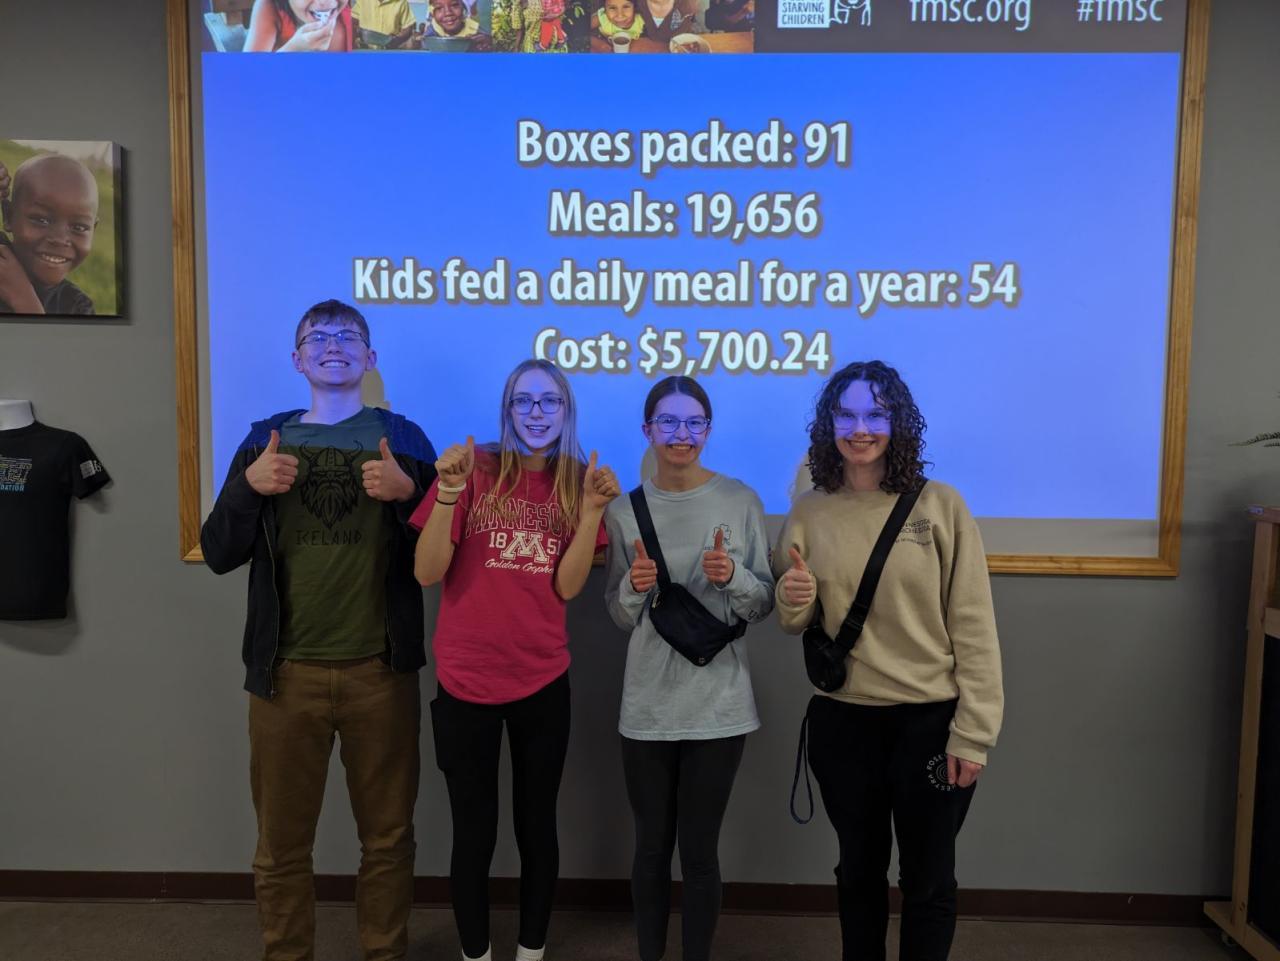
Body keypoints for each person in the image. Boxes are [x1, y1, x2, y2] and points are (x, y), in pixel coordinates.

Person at [200, 299, 437, 961]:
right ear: (297, 358)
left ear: (370, 356)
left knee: (388, 838)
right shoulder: (263, 440)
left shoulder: (406, 439)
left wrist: (409, 496)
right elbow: (217, 550)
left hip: (380, 670)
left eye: (348, 335)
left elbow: (444, 549)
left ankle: (384, 952)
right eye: (318, 337)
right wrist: (248, 487)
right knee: (281, 844)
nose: (334, 344)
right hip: (285, 675)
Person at [773, 360, 1003, 961]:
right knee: (857, 873)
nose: (860, 429)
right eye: (846, 415)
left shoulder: (941, 506)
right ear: (828, 425)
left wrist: (974, 734)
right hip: (844, 721)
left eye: (876, 414)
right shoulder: (808, 511)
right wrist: (793, 597)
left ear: (899, 422)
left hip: (931, 723)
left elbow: (974, 627)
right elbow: (798, 620)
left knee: (928, 879)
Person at [413, 359, 619, 961]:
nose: (536, 413)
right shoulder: (470, 470)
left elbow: (567, 587)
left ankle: (531, 953)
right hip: (465, 680)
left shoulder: (578, 481)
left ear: (566, 410)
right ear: (506, 410)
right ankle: (475, 954)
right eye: (523, 401)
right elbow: (426, 571)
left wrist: (592, 511)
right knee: (473, 834)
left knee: (537, 828)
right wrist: (448, 493)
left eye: (549, 401)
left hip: (541, 680)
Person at [603, 376, 773, 961]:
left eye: (694, 422)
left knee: (700, 853)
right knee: (651, 849)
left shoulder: (741, 501)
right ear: (647, 430)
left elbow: (762, 605)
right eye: (669, 422)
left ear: (708, 429)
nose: (682, 434)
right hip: (647, 705)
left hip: (719, 706)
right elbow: (619, 615)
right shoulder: (623, 512)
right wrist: (633, 586)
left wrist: (735, 578)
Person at [0, 154, 98, 316]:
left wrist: (23, 298)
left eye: (79, 227)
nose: (59, 239)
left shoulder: (78, 307)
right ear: (8, 216)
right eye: (41, 220)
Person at [244, 0, 355, 51]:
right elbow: (248, 78)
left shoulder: (353, 9)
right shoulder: (269, 7)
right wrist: (292, 49)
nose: (324, 2)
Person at [351, 0, 417, 46]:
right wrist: (357, 34)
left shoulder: (401, 2)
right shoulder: (362, 1)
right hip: (365, 50)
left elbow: (408, 27)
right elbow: (353, 22)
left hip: (389, 52)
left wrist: (396, 40)